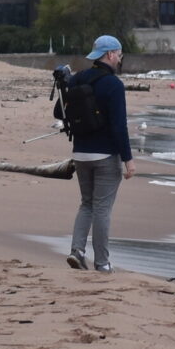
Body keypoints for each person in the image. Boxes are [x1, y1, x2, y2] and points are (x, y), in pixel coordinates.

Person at [59, 35, 133, 273]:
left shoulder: (78, 78)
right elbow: (119, 127)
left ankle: (77, 251)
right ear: (110, 54)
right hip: (105, 157)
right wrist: (128, 160)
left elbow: (59, 113)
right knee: (102, 209)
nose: (120, 59)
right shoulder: (114, 85)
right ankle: (102, 263)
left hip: (80, 153)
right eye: (119, 54)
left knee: (87, 204)